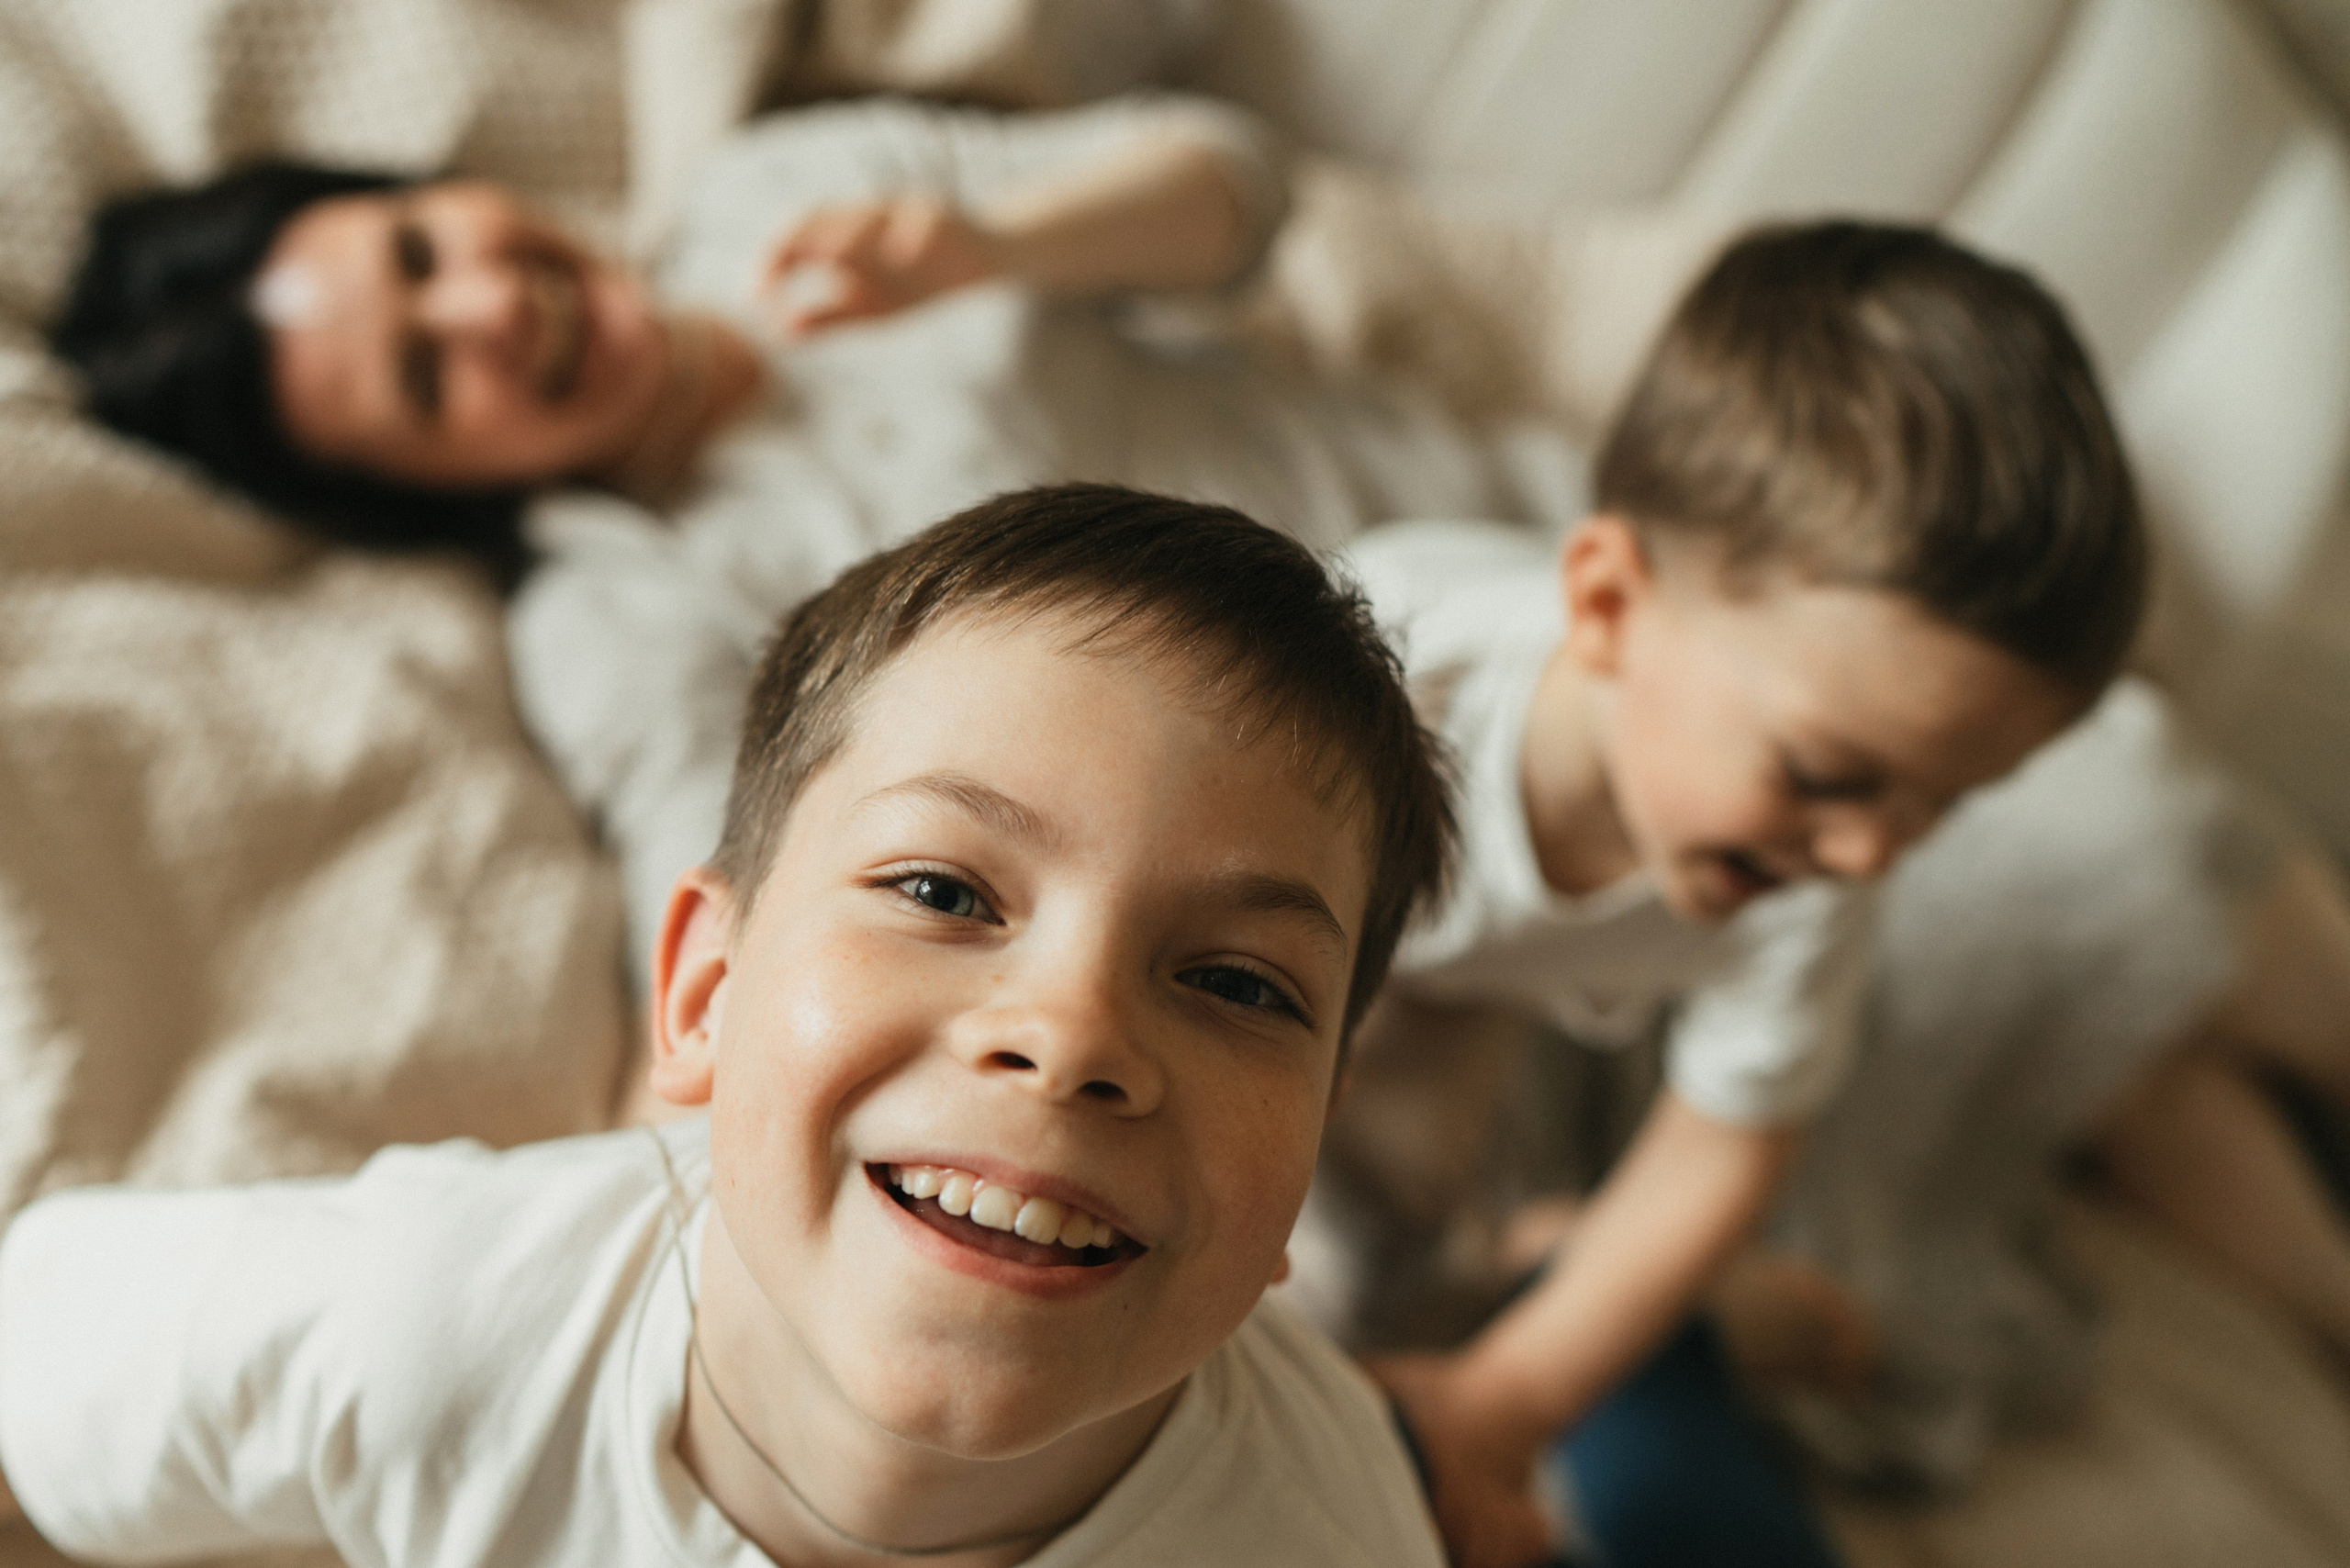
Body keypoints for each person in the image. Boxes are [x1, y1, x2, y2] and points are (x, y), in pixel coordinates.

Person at [0, 483, 1457, 1568]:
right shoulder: (437, 1323)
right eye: (945, 890)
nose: (1071, 1035)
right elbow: (43, 1376)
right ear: (702, 993)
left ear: (1309, 1155)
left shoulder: (1329, 1535)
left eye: (1238, 984)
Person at [50, 95, 1571, 969]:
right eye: (429, 376)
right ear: (431, 490)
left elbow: (1241, 191)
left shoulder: (775, 189)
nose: (493, 304)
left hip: (1531, 521)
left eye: (422, 248)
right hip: (1427, 826)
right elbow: (728, 891)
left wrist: (1001, 241)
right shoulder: (615, 609)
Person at [1315, 220, 2146, 1568]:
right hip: (1317, 1014)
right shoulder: (1381, 679)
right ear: (1606, 603)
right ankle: (1558, 1265)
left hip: (1520, 1078)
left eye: (1942, 803)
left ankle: (1574, 1276)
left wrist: (1506, 1402)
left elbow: (1724, 1146)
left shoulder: (1814, 866)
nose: (1877, 852)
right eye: (1831, 772)